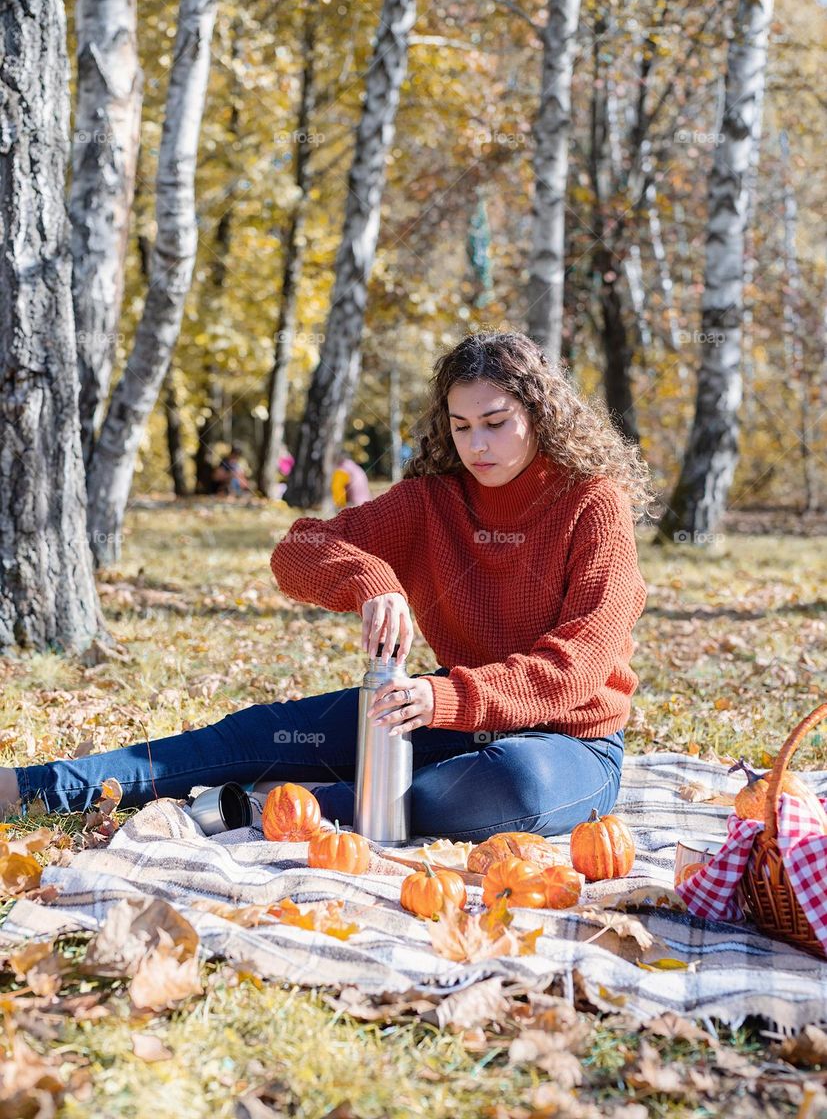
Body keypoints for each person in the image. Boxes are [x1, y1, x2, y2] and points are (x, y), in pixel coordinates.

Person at [1, 331, 651, 842]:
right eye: (460, 426)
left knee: (505, 786)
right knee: (257, 736)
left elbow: (581, 664)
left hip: (567, 745)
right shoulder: (431, 501)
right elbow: (299, 548)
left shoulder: (592, 503)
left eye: (495, 421)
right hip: (438, 712)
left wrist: (444, 697)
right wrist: (371, 581)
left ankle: (276, 805)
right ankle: (35, 789)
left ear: (539, 413)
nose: (476, 443)